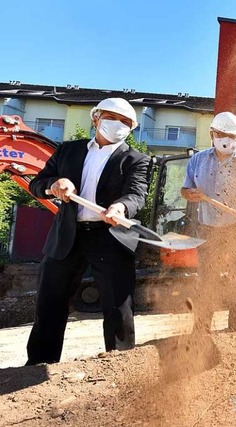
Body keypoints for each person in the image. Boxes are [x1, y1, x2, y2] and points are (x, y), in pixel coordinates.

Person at [26, 98, 150, 364]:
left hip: (110, 238)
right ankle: (38, 363)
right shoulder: (68, 151)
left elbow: (137, 194)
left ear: (131, 128)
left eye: (125, 122)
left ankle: (119, 365)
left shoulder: (135, 159)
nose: (117, 124)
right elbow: (36, 185)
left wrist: (120, 207)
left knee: (118, 307)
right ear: (96, 118)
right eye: (111, 117)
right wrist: (54, 184)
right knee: (50, 303)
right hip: (67, 236)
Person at [181, 111, 236, 332]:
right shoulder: (197, 160)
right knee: (206, 280)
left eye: (233, 136)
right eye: (223, 134)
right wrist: (191, 194)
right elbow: (185, 189)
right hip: (210, 226)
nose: (228, 140)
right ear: (212, 134)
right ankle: (201, 332)